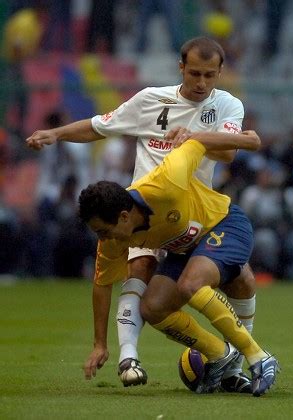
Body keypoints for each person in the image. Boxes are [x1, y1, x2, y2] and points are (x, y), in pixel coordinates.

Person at [26, 36, 257, 393]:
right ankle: (128, 357)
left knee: (241, 280)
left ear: (220, 73)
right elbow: (99, 125)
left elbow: (228, 153)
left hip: (195, 211)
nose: (201, 83)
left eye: (210, 75)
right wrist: (55, 134)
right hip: (143, 211)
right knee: (140, 268)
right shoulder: (150, 100)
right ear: (181, 68)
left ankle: (233, 365)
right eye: (194, 73)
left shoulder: (227, 104)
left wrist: (194, 136)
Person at [78, 129, 279, 397]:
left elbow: (196, 143)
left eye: (103, 230)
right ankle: (221, 354)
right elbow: (102, 286)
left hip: (224, 223)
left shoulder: (166, 181)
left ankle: (259, 358)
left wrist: (248, 140)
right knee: (152, 307)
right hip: (185, 249)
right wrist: (100, 345)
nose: (102, 238)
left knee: (193, 284)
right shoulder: (112, 241)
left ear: (124, 216)